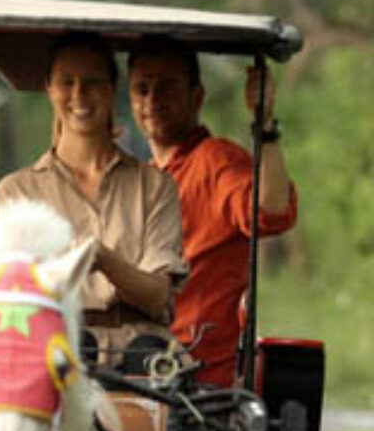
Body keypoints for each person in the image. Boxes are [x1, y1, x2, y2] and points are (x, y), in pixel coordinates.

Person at [0, 32, 185, 363]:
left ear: (112, 90)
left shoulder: (154, 186)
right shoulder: (16, 192)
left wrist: (103, 258)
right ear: (49, 89)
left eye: (92, 82)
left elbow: (157, 295)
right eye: (67, 82)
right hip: (52, 352)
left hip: (141, 359)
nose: (79, 95)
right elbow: (7, 296)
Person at [127, 39, 298, 385]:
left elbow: (271, 209)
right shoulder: (137, 178)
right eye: (142, 90)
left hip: (192, 377)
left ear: (197, 96)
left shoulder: (214, 160)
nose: (152, 101)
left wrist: (264, 128)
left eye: (167, 88)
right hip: (130, 361)